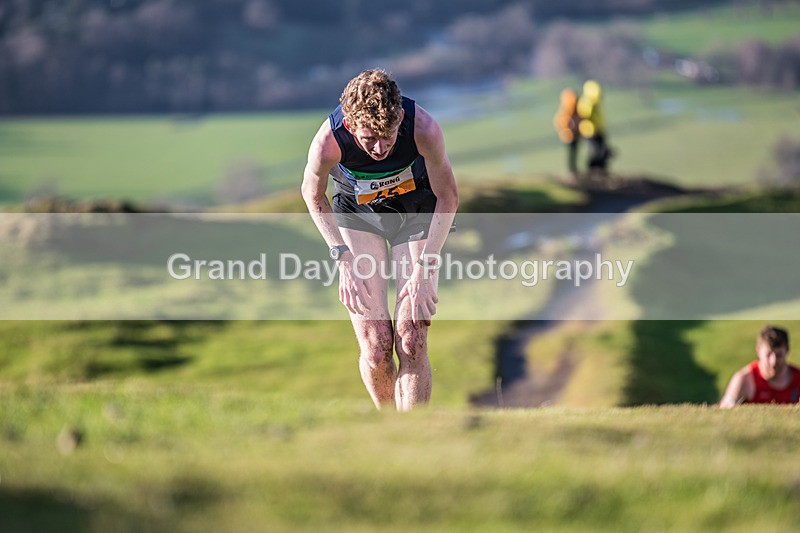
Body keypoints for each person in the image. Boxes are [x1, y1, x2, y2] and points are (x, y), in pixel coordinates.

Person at [301, 69, 458, 411]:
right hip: (359, 215)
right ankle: (388, 425)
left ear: (399, 119)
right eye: (368, 138)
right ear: (350, 125)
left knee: (412, 338)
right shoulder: (328, 141)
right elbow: (312, 194)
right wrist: (342, 257)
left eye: (387, 137)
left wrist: (426, 266)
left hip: (415, 209)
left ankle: (414, 431)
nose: (379, 148)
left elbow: (448, 198)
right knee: (375, 345)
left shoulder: (423, 129)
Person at [719, 325, 800, 408]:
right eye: (768, 354)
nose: (773, 361)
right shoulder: (744, 379)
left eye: (779, 355)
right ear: (758, 351)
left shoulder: (798, 378)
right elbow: (724, 411)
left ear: (787, 350)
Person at [577, 80, 614, 176]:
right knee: (595, 151)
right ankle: (593, 171)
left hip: (598, 130)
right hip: (590, 131)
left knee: (600, 150)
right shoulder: (588, 102)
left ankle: (600, 170)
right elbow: (584, 115)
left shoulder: (595, 102)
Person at [553, 88, 581, 177]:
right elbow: (563, 121)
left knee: (573, 152)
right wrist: (568, 129)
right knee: (572, 152)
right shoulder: (569, 107)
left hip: (572, 134)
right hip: (570, 134)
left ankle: (573, 170)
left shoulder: (566, 107)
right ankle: (572, 170)